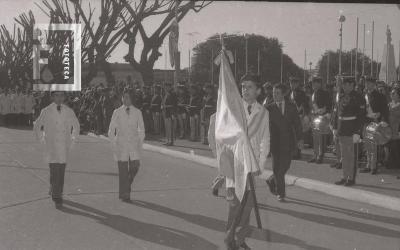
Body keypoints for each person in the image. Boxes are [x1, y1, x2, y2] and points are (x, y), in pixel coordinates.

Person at [224, 74, 270, 250]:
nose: (245, 90)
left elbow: (265, 140)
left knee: (248, 206)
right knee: (235, 206)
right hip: (235, 164)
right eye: (243, 86)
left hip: (251, 166)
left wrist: (260, 164)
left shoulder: (263, 113)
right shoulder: (233, 109)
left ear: (258, 91)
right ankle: (230, 241)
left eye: (249, 87)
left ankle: (240, 238)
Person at [33, 91, 80, 208]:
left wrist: (73, 140)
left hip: (64, 145)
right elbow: (37, 126)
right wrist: (42, 139)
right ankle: (57, 195)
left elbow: (76, 126)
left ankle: (54, 188)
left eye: (61, 96)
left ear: (64, 97)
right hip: (51, 145)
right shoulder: (46, 111)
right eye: (56, 95)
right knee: (54, 170)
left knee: (61, 171)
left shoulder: (69, 111)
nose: (59, 98)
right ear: (52, 97)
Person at [265, 84, 302, 202]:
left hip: (288, 142)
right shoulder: (268, 108)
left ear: (283, 94)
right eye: (274, 93)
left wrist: (300, 139)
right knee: (277, 169)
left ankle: (271, 180)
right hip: (275, 143)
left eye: (277, 93)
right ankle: (281, 193)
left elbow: (297, 124)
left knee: (284, 167)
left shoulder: (291, 107)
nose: (274, 95)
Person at [108, 89, 145, 202]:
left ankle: (127, 183)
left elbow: (141, 129)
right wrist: (113, 144)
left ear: (132, 98)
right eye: (124, 97)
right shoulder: (117, 112)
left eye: (128, 97)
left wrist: (140, 142)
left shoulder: (137, 112)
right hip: (121, 144)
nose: (125, 99)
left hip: (134, 144)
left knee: (135, 166)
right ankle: (125, 194)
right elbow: (111, 130)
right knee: (123, 170)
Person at [331, 76, 365, 186]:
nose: (345, 86)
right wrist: (335, 127)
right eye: (344, 84)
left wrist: (357, 132)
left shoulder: (359, 97)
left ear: (352, 85)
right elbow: (336, 113)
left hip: (352, 130)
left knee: (352, 156)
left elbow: (361, 116)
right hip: (342, 129)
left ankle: (351, 178)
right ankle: (344, 176)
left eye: (348, 84)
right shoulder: (341, 96)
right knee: (344, 155)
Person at [360, 76, 389, 174]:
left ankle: (373, 166)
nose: (367, 85)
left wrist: (382, 119)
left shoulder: (380, 96)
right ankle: (368, 165)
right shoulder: (364, 95)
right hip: (366, 121)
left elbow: (385, 110)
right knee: (367, 145)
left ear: (373, 84)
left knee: (373, 146)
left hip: (374, 122)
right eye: (366, 83)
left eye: (369, 83)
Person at [308, 77, 332, 164]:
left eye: (316, 83)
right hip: (314, 117)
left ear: (320, 84)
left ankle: (320, 155)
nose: (314, 85)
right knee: (315, 137)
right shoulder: (313, 94)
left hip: (322, 117)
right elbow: (311, 106)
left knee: (321, 137)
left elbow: (329, 105)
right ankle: (315, 154)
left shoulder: (325, 93)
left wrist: (323, 111)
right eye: (313, 83)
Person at [289, 77, 310, 159]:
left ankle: (298, 152)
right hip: (292, 116)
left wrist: (304, 115)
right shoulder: (290, 93)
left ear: (297, 84)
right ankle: (294, 151)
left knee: (298, 135)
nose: (292, 85)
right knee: (293, 135)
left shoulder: (301, 93)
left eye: (294, 83)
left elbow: (305, 105)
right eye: (291, 83)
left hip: (299, 116)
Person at [387, 87, 400, 169]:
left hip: (397, 129)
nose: (391, 95)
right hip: (390, 130)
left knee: (397, 147)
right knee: (392, 147)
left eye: (393, 93)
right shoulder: (389, 104)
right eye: (391, 93)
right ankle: (393, 164)